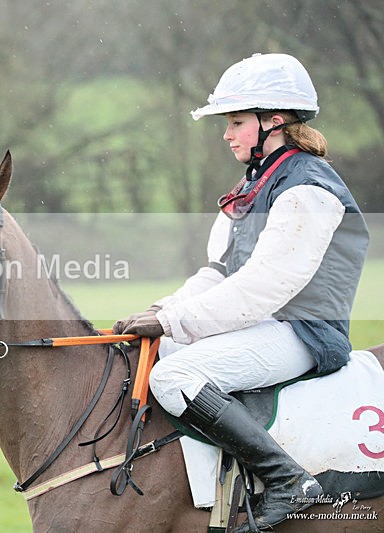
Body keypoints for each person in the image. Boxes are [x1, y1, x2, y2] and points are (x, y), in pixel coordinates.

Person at [113, 53, 369, 532]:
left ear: (274, 122)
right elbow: (218, 274)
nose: (227, 134)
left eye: (235, 123)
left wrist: (172, 322)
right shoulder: (254, 185)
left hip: (306, 335)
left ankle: (288, 481)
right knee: (154, 348)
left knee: (173, 378)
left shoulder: (308, 189)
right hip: (265, 325)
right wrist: (162, 312)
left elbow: (262, 288)